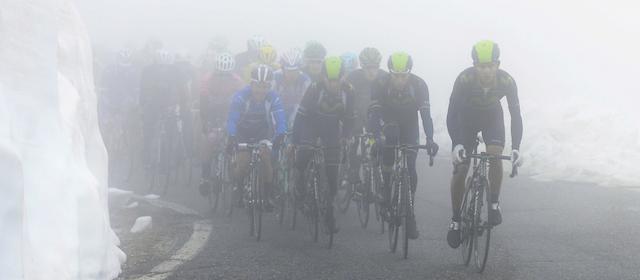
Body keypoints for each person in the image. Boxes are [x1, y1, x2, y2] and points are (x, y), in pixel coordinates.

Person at [446, 40, 524, 248]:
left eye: (490, 66)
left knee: (495, 156)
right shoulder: (464, 79)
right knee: (461, 169)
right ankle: (455, 219)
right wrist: (457, 144)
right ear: (474, 66)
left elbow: (515, 115)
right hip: (466, 121)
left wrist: (516, 147)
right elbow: (452, 114)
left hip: (492, 118)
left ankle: (494, 202)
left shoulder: (507, 81)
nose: (487, 71)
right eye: (482, 66)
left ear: (497, 64)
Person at [368, 51, 438, 239]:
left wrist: (430, 139)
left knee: (411, 167)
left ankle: (409, 212)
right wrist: (376, 138)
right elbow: (374, 115)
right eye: (396, 76)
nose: (400, 80)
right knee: (389, 146)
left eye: (403, 76)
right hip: (387, 122)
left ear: (409, 73)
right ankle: (386, 190)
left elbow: (425, 115)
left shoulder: (419, 85)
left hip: (410, 127)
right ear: (390, 73)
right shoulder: (380, 84)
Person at [292, 56, 355, 233]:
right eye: (329, 80)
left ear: (343, 77)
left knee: (333, 178)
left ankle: (329, 216)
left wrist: (347, 137)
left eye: (337, 80)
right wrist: (295, 141)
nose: (333, 84)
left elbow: (350, 118)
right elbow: (300, 115)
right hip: (311, 126)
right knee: (304, 154)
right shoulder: (314, 89)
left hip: (332, 131)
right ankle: (300, 186)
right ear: (323, 77)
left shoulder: (349, 92)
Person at [227, 65, 287, 210]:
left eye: (265, 86)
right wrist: (232, 136)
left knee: (266, 159)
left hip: (262, 133)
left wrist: (280, 134)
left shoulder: (273, 97)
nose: (261, 90)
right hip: (243, 132)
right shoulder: (241, 96)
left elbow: (280, 120)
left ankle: (267, 196)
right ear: (251, 84)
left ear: (270, 86)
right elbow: (232, 120)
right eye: (258, 86)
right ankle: (239, 187)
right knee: (243, 162)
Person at [198, 53, 244, 196]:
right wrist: (205, 122)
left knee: (236, 143)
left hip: (230, 114)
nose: (223, 77)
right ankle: (205, 177)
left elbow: (242, 102)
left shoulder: (237, 81)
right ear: (216, 70)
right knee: (209, 140)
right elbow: (203, 103)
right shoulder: (207, 79)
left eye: (226, 75)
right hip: (212, 114)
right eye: (220, 74)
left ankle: (237, 179)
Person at [343, 47, 388, 184]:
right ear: (362, 66)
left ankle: (378, 170)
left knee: (380, 142)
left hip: (375, 116)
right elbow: (345, 99)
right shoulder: (352, 78)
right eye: (368, 67)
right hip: (357, 115)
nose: (371, 71)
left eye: (374, 67)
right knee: (355, 141)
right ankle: (353, 172)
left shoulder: (384, 77)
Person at [139, 50, 187, 173]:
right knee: (148, 132)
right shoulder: (148, 71)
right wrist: (143, 104)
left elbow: (182, 89)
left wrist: (182, 105)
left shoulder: (175, 71)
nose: (163, 69)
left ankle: (172, 158)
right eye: (161, 66)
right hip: (154, 105)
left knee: (171, 131)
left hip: (168, 105)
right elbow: (143, 89)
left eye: (164, 66)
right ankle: (146, 159)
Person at [273, 48, 312, 124]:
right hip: (277, 113)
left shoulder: (306, 81)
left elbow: (306, 104)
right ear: (282, 69)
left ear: (300, 69)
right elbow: (270, 102)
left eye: (294, 70)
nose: (291, 74)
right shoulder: (274, 78)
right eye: (288, 70)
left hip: (297, 114)